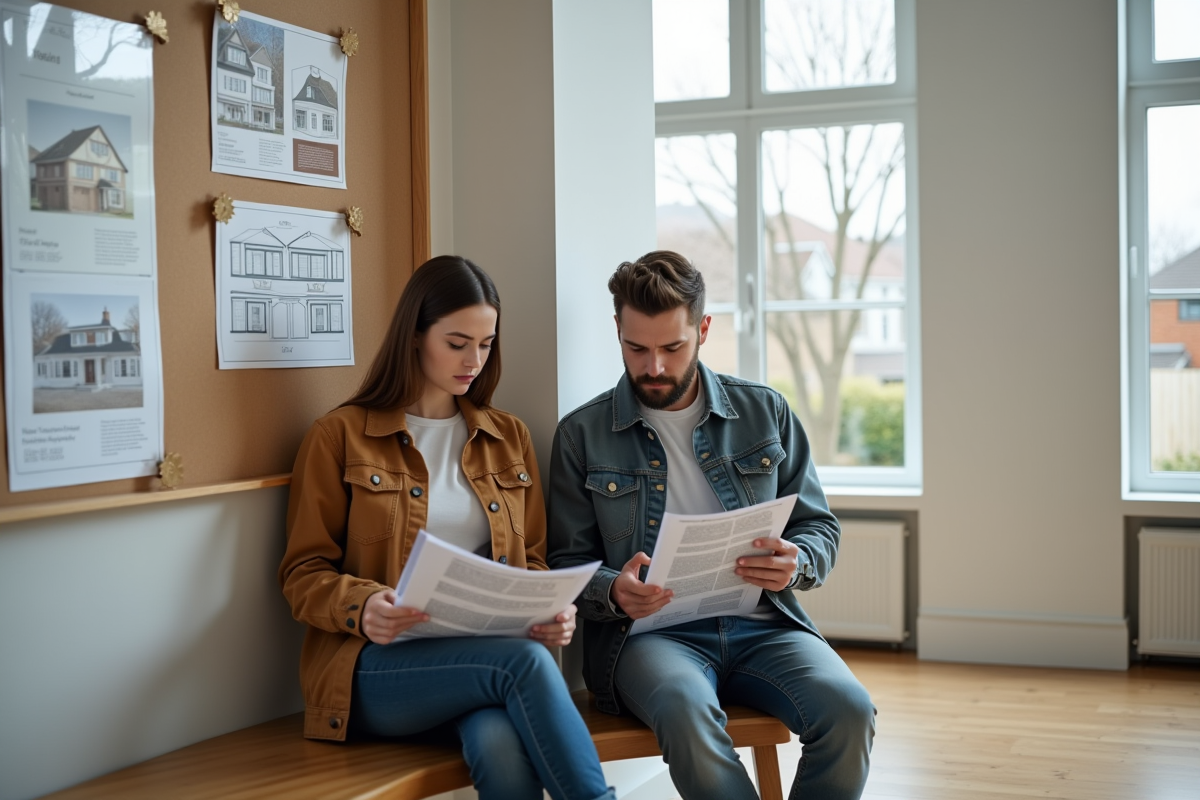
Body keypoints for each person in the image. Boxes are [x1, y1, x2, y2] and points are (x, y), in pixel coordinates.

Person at [279, 255, 615, 800]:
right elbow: (301, 573)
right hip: (373, 670)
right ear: (414, 335)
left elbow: (529, 562)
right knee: (525, 663)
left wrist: (548, 612)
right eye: (457, 343)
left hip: (486, 660)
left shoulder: (508, 437)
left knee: (501, 750)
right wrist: (363, 607)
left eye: (485, 344)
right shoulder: (339, 436)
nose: (474, 360)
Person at [547, 250, 876, 800]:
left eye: (672, 348)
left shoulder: (765, 411)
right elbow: (565, 564)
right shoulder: (581, 434)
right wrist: (613, 590)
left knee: (849, 709)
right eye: (637, 348)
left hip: (764, 625)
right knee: (683, 708)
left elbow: (818, 527)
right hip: (650, 638)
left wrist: (797, 562)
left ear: (703, 329)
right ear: (618, 330)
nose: (653, 367)